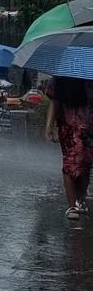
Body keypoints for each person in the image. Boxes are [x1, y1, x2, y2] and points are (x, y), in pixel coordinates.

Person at [45, 76, 93, 220]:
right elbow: (54, 101)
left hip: (88, 128)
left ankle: (80, 199)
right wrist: (49, 125)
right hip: (69, 127)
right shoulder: (60, 79)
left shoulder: (90, 78)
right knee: (70, 163)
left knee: (86, 164)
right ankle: (72, 205)